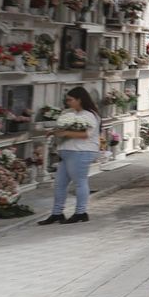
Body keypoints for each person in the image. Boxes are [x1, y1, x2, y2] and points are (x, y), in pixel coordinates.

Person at [39, 86, 101, 225]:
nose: (67, 102)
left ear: (79, 100)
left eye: (70, 100)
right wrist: (54, 132)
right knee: (59, 184)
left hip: (81, 151)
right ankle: (57, 213)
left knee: (80, 182)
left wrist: (66, 133)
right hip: (66, 150)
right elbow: (62, 127)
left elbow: (86, 134)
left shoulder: (89, 115)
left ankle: (80, 212)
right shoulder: (69, 113)